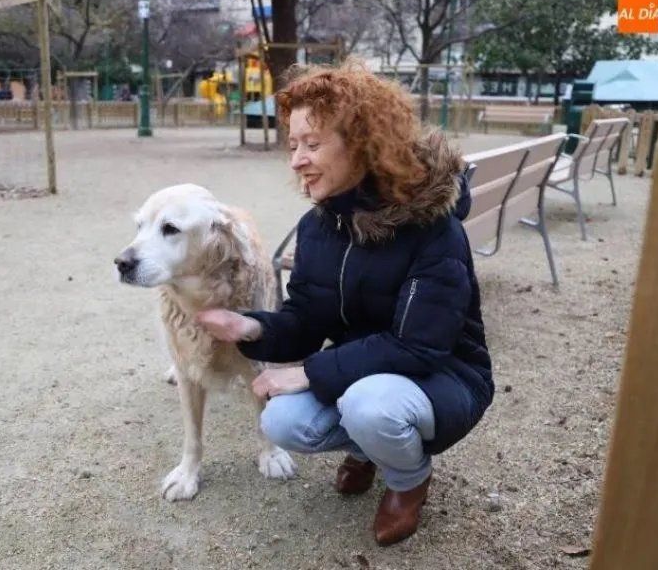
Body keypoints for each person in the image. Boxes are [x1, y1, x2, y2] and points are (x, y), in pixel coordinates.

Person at [196, 60, 494, 546]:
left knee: (368, 407)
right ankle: (374, 448)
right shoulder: (320, 225)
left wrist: (310, 373)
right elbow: (306, 319)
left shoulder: (434, 230)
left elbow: (419, 348)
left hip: (445, 378)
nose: (296, 160)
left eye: (312, 145)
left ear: (363, 144)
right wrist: (250, 328)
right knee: (282, 420)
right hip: (362, 376)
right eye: (293, 145)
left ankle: (408, 478)